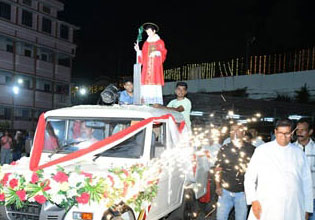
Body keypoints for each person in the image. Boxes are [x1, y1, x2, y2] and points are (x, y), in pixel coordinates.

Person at [244, 119, 313, 220]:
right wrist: (253, 200)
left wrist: (307, 208)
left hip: (293, 205)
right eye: (280, 133)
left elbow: (307, 182)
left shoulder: (299, 153)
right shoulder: (262, 150)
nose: (283, 137)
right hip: (266, 204)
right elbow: (249, 178)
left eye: (287, 133)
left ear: (292, 133)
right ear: (275, 132)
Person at [215, 124, 255, 220]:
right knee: (220, 217)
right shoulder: (225, 148)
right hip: (225, 192)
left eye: (238, 130)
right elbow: (218, 169)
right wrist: (218, 186)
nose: (235, 132)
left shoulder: (251, 149)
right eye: (232, 130)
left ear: (243, 132)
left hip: (243, 193)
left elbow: (256, 171)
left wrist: (252, 190)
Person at [134, 22, 167, 105]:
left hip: (155, 68)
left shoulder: (160, 42)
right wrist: (138, 51)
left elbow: (163, 52)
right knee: (145, 87)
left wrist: (157, 53)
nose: (148, 33)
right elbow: (143, 56)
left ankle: (155, 104)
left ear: (154, 31)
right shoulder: (146, 43)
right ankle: (145, 103)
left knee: (154, 86)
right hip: (146, 68)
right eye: (147, 32)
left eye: (149, 31)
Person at [294, 118, 315, 220]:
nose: (299, 132)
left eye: (303, 130)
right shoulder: (291, 149)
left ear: (310, 132)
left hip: (313, 197)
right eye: (298, 130)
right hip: (295, 197)